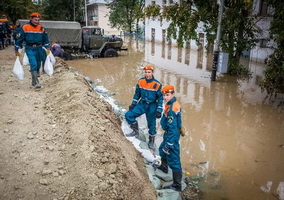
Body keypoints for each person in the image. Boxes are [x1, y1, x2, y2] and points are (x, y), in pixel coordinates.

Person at [125, 65, 163, 150]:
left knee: (151, 125)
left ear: (152, 73)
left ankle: (151, 142)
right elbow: (137, 93)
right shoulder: (141, 81)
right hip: (142, 104)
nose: (147, 74)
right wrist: (133, 103)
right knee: (128, 115)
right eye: (146, 72)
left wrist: (159, 110)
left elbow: (160, 98)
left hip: (152, 106)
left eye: (149, 72)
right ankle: (135, 131)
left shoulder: (157, 84)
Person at [14, 12, 50, 88]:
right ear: (31, 19)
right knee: (33, 63)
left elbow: (45, 39)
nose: (37, 21)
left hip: (39, 48)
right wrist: (17, 48)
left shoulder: (41, 28)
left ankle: (36, 75)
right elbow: (19, 39)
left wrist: (47, 47)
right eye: (35, 20)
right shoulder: (25, 27)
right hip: (29, 48)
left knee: (38, 64)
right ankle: (35, 81)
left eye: (38, 20)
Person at [157, 85, 183, 192]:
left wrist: (169, 144)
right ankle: (164, 167)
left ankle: (177, 185)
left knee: (174, 159)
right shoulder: (170, 104)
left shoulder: (172, 108)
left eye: (167, 95)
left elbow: (173, 128)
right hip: (168, 134)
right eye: (164, 95)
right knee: (161, 150)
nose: (165, 97)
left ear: (172, 94)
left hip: (172, 136)